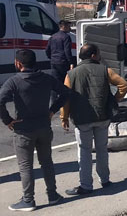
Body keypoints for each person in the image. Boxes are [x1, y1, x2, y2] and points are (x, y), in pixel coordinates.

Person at [0, 49, 69, 211]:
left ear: (18, 63)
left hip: (23, 129)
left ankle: (28, 200)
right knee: (47, 163)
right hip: (44, 127)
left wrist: (8, 120)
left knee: (25, 166)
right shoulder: (46, 78)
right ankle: (52, 194)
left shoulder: (14, 82)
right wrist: (53, 110)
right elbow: (65, 93)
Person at [61, 43, 127, 196]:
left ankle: (86, 185)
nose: (100, 55)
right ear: (93, 55)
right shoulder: (105, 70)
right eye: (98, 53)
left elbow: (65, 98)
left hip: (82, 119)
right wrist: (115, 100)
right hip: (102, 116)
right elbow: (123, 85)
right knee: (102, 149)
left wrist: (64, 117)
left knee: (84, 151)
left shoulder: (71, 74)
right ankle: (105, 180)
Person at [45, 20, 75, 106]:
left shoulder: (53, 37)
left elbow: (47, 50)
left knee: (55, 83)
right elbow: (67, 51)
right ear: (64, 26)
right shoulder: (66, 37)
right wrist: (71, 62)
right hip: (63, 62)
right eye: (69, 26)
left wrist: (51, 57)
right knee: (65, 82)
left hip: (54, 62)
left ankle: (53, 103)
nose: (70, 28)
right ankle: (65, 102)